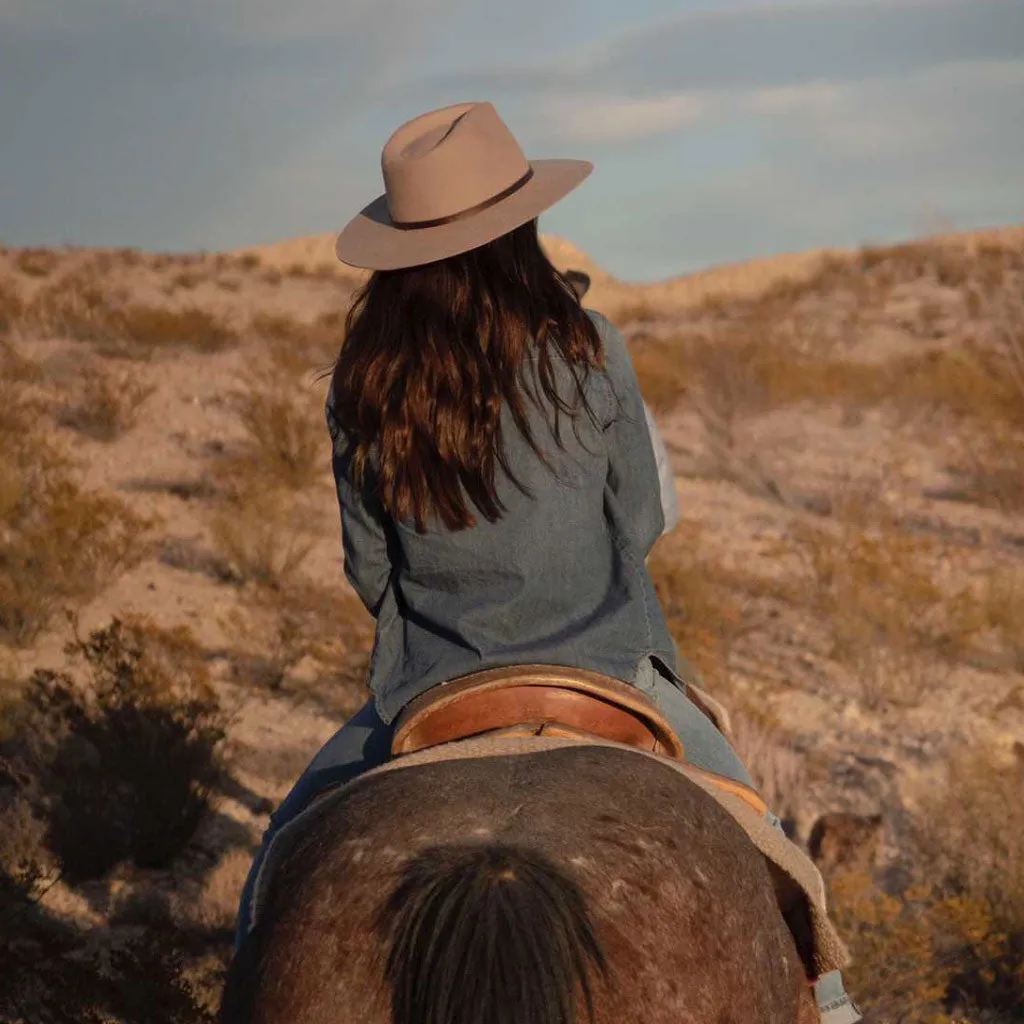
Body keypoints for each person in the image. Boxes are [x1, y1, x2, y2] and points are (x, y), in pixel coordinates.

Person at [232, 99, 859, 1024]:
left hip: (430, 687)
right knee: (782, 870)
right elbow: (639, 519)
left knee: (270, 886)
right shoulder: (588, 346)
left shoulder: (367, 383)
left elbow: (373, 575)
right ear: (519, 225)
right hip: (607, 670)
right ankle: (839, 1006)